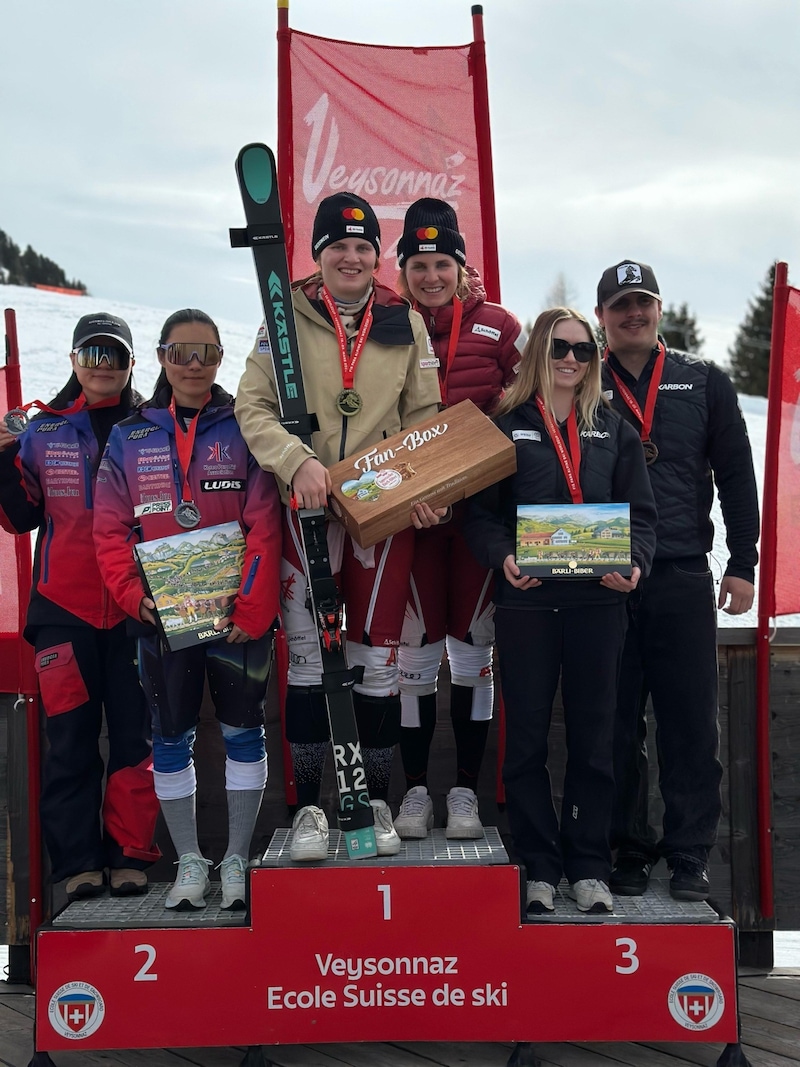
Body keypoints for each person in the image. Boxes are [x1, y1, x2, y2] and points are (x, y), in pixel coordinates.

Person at [235, 192, 444, 862]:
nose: (351, 258)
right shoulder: (283, 318)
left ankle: (372, 799)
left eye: (362, 248)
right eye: (338, 248)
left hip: (380, 517)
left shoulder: (401, 319)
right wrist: (295, 462)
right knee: (305, 665)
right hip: (306, 511)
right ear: (319, 255)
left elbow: (425, 415)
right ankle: (304, 810)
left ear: (376, 257)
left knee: (375, 664)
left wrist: (421, 489)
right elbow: (253, 403)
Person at [463, 307, 657, 915]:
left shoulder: (614, 430)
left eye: (582, 350)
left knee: (595, 738)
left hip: (597, 605)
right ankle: (538, 864)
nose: (571, 359)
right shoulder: (506, 425)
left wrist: (635, 564)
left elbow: (643, 519)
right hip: (527, 603)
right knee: (524, 740)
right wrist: (501, 558)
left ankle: (589, 865)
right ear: (537, 355)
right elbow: (480, 517)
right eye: (558, 348)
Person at [94, 309, 281, 910]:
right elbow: (110, 529)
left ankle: (235, 862)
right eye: (181, 353)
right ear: (161, 358)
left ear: (222, 358)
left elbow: (263, 522)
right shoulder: (132, 435)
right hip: (161, 618)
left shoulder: (245, 427)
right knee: (169, 736)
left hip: (234, 616)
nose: (193, 365)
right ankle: (190, 864)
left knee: (242, 733)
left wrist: (252, 607)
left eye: (205, 353)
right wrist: (133, 597)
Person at [596, 260, 760, 901]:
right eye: (619, 306)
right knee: (614, 724)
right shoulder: (581, 378)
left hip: (684, 572)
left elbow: (737, 478)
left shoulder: (704, 382)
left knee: (691, 725)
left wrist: (742, 563)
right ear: (603, 315)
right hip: (605, 574)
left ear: (659, 309)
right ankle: (628, 849)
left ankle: (690, 854)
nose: (632, 314)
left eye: (643, 303)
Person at [0, 312, 159, 902]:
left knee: (135, 738)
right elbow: (19, 517)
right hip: (63, 615)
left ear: (131, 364)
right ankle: (76, 863)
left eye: (114, 356)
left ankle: (130, 854)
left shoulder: (153, 428)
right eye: (91, 355)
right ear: (72, 361)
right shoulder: (41, 433)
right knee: (67, 739)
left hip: (136, 611)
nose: (102, 366)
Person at [392, 198, 525, 840]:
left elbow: (538, 410)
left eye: (441, 263)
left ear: (461, 266)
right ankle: (415, 792)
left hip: (478, 523)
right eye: (418, 265)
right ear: (404, 271)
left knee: (474, 658)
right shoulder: (386, 324)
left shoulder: (500, 325)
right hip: (411, 521)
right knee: (413, 660)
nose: (431, 276)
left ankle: (467, 794)